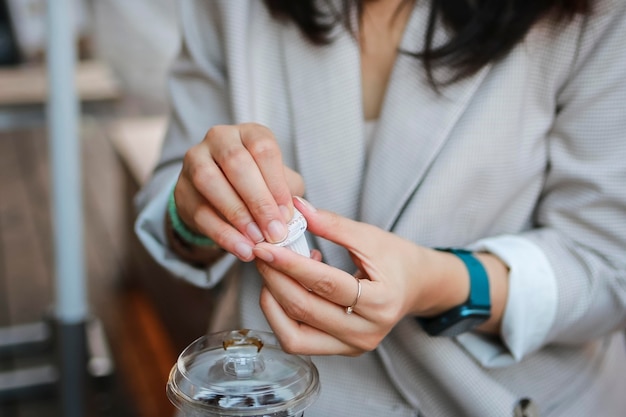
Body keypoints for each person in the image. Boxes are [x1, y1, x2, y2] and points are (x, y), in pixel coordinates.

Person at [134, 0, 626, 416]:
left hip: (508, 398)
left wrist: (439, 282)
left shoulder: (596, 16)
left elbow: (608, 264)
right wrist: (194, 215)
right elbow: (172, 201)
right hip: (267, 392)